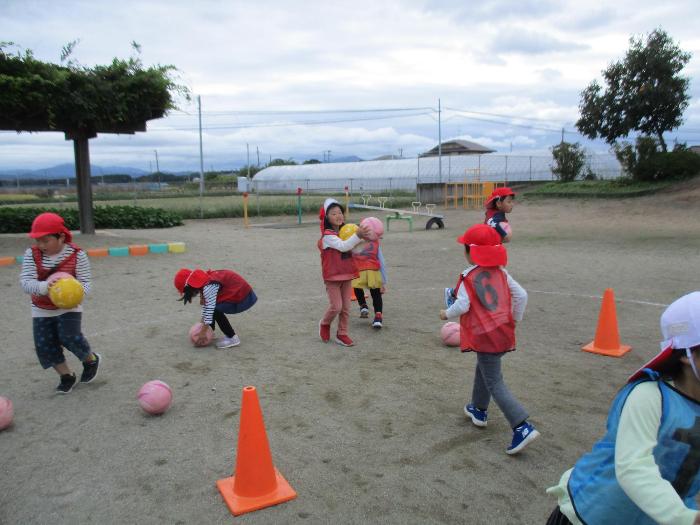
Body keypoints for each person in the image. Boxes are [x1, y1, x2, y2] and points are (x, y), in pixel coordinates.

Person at [546, 291, 700, 525]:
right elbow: (633, 467)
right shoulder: (649, 396)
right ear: (687, 354)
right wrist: (687, 518)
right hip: (592, 513)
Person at [439, 223, 537, 455]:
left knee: (494, 380)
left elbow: (463, 305)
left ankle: (521, 426)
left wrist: (446, 313)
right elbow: (521, 295)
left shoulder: (468, 276)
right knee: (484, 368)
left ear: (470, 252)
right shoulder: (502, 273)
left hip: (485, 335)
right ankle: (479, 409)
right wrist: (515, 318)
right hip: (503, 331)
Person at [19, 212, 101, 394]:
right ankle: (66, 376)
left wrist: (75, 292)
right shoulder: (32, 255)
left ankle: (90, 360)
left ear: (61, 236)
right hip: (41, 308)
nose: (40, 245)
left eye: (45, 240)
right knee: (45, 345)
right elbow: (25, 283)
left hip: (69, 307)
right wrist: (45, 287)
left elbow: (86, 283)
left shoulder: (77, 255)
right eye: (37, 241)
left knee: (69, 336)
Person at [444, 187, 516, 309]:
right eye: (509, 202)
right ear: (498, 203)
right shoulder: (496, 215)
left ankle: (486, 297)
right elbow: (491, 223)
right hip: (486, 249)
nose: (512, 204)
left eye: (512, 201)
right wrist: (504, 235)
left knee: (489, 273)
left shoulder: (496, 213)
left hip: (491, 248)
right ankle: (452, 293)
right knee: (478, 273)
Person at [318, 198, 370, 346]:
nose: (338, 215)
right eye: (333, 213)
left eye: (340, 212)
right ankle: (325, 323)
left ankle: (342, 334)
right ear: (327, 217)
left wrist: (370, 239)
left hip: (347, 274)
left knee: (346, 308)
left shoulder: (346, 232)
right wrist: (358, 235)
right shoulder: (328, 236)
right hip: (332, 277)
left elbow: (354, 249)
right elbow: (343, 246)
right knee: (336, 307)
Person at [174, 267, 257, 349]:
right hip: (235, 291)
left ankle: (232, 337)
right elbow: (206, 307)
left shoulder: (208, 287)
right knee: (213, 308)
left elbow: (210, 309)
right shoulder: (204, 282)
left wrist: (202, 332)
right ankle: (210, 331)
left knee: (215, 309)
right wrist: (202, 326)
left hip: (242, 296)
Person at [352, 229, 387, 329]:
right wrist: (383, 281)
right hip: (373, 270)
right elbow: (381, 261)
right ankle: (378, 317)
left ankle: (363, 306)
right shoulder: (376, 243)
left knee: (357, 287)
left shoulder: (355, 241)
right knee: (376, 293)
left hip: (359, 270)